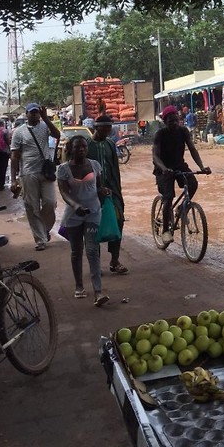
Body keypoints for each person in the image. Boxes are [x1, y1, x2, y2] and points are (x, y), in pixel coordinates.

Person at [57, 135, 109, 306]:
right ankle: (79, 285)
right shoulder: (63, 170)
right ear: (70, 149)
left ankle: (98, 292)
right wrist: (76, 206)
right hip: (73, 215)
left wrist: (103, 191)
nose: (81, 150)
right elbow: (64, 193)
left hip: (93, 213)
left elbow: (99, 186)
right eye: (78, 147)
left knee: (93, 251)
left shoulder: (94, 165)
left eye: (84, 147)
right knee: (76, 251)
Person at [153, 105, 211, 243]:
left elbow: (192, 149)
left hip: (179, 166)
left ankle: (181, 208)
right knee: (168, 197)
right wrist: (164, 169)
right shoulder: (160, 134)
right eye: (170, 121)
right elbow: (155, 156)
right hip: (163, 169)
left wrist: (202, 167)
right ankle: (166, 230)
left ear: (179, 120)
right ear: (165, 122)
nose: (173, 124)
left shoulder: (183, 131)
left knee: (193, 184)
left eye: (176, 121)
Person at [10, 103, 61, 250]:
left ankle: (44, 229)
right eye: (31, 113)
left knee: (50, 202)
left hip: (46, 172)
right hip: (28, 173)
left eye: (37, 112)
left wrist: (46, 119)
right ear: (26, 114)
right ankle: (40, 240)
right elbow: (14, 157)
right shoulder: (19, 132)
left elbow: (57, 135)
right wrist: (14, 179)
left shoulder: (45, 126)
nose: (34, 115)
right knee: (32, 207)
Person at [86, 114, 129, 274]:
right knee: (93, 227)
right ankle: (95, 264)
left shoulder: (111, 144)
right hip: (92, 193)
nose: (107, 131)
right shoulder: (87, 145)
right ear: (97, 128)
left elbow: (115, 170)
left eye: (109, 128)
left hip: (112, 192)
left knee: (118, 222)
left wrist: (118, 192)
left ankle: (115, 260)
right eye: (104, 128)